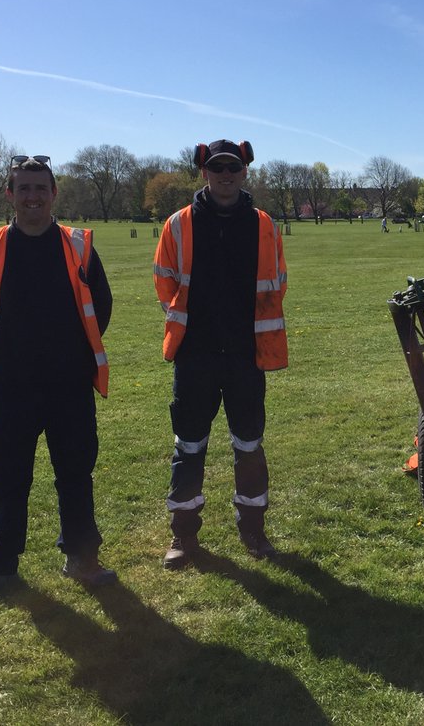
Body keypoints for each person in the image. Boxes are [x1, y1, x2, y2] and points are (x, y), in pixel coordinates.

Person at [0, 154, 115, 601]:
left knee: (76, 473)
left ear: (54, 194)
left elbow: (100, 306)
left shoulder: (78, 246)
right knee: (6, 476)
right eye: (23, 188)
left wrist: (69, 354)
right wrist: (6, 358)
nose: (32, 197)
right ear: (9, 194)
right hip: (11, 387)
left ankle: (82, 558)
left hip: (69, 383)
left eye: (40, 188)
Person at [153, 139, 288, 569]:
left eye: (232, 167)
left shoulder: (264, 224)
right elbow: (164, 282)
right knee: (189, 446)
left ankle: (253, 531)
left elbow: (277, 281)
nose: (225, 175)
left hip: (247, 356)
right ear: (204, 172)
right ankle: (183, 538)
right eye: (217, 168)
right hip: (196, 356)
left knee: (249, 445)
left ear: (245, 171)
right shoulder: (178, 224)